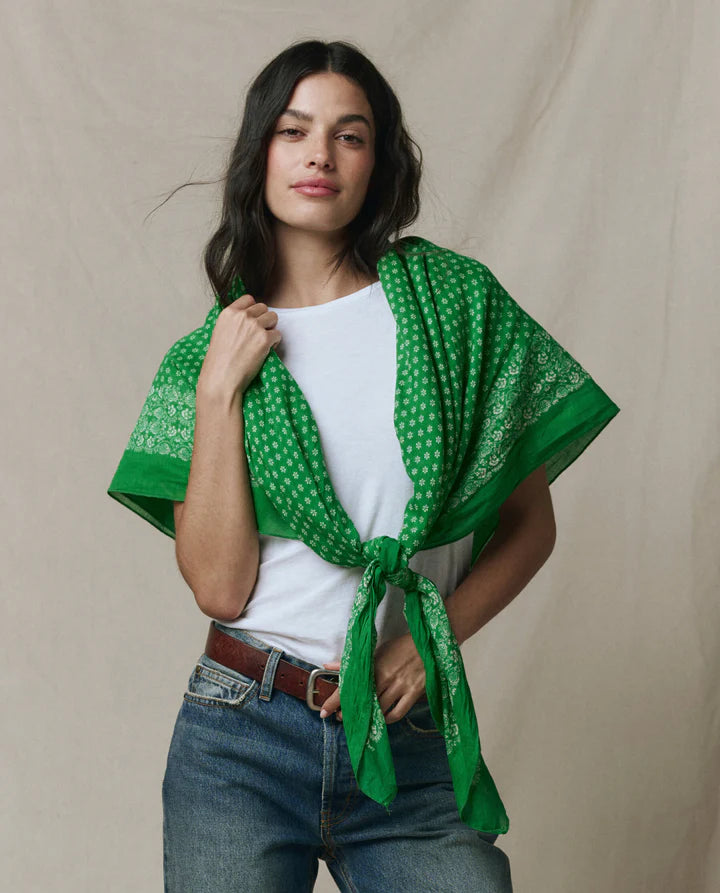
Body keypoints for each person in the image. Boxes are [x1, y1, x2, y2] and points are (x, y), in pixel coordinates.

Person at [108, 38, 619, 892]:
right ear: (260, 155)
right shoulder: (209, 356)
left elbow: (532, 526)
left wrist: (429, 639)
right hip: (242, 733)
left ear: (378, 163)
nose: (320, 154)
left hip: (403, 739)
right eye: (293, 130)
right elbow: (220, 589)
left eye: (350, 135)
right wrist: (219, 394)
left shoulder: (454, 307)